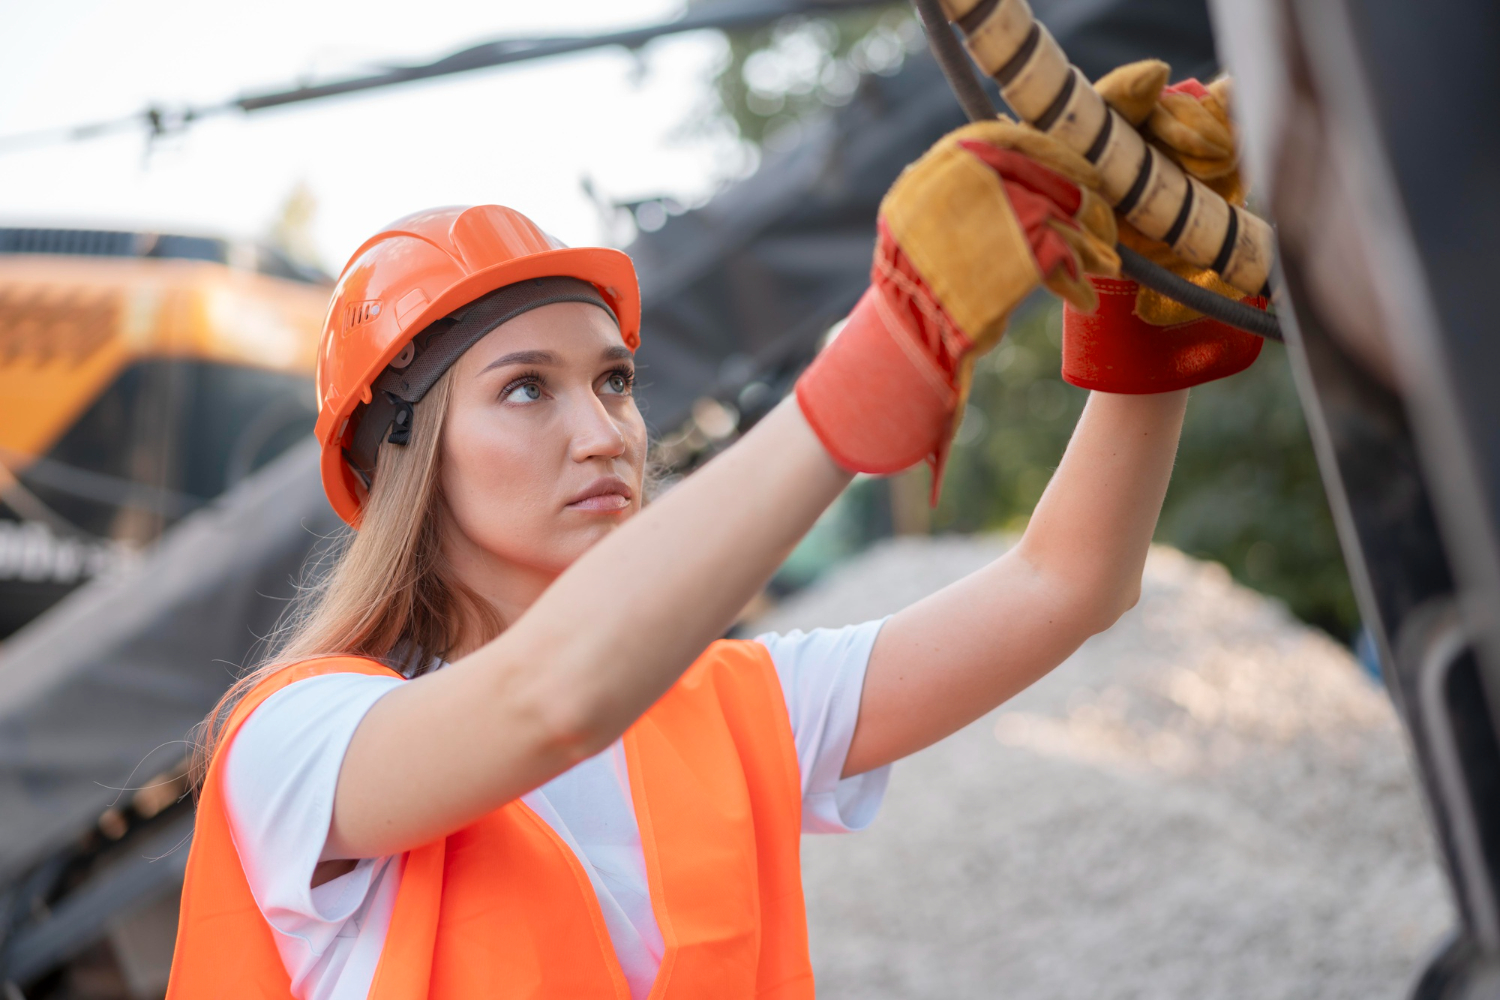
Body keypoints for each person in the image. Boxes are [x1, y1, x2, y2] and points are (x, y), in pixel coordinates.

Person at [167, 77, 1260, 1000]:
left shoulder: (734, 706)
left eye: (614, 380)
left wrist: (1143, 319)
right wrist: (876, 366)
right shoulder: (298, 742)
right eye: (526, 389)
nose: (604, 434)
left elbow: (1066, 581)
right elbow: (546, 700)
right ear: (400, 461)